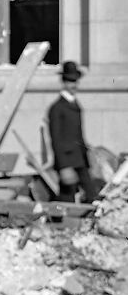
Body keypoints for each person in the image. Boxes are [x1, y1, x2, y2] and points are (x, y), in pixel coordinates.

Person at [47, 60, 98, 203]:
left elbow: (79, 134)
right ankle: (61, 224)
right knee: (67, 197)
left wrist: (88, 154)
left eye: (75, 81)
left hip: (79, 158)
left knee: (91, 194)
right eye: (70, 81)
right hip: (66, 160)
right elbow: (55, 139)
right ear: (63, 82)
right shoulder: (57, 108)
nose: (73, 85)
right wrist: (63, 167)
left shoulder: (75, 104)